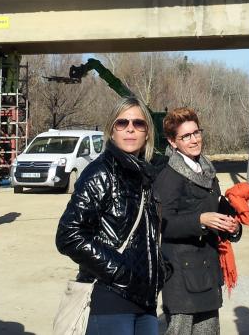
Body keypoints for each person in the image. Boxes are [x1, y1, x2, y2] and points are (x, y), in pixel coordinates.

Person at [55, 97, 163, 335]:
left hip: (145, 302)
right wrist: (119, 271)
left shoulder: (144, 174)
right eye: (122, 123)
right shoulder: (100, 172)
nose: (130, 129)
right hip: (110, 299)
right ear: (111, 131)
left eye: (138, 123)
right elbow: (68, 235)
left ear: (148, 132)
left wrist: (160, 270)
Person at [153, 107, 240, 335]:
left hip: (207, 273)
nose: (194, 140)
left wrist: (232, 226)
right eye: (186, 136)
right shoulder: (169, 175)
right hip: (181, 277)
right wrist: (200, 220)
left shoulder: (206, 169)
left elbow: (215, 211)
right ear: (173, 142)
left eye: (196, 132)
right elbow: (163, 223)